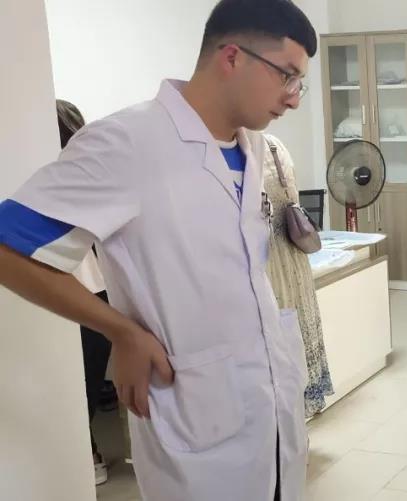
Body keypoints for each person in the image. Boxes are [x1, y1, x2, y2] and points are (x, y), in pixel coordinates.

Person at [0, 1, 316, 499]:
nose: (293, 99)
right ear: (232, 56)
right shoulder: (126, 144)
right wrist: (121, 331)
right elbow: (8, 248)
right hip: (195, 428)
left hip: (271, 413)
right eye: (287, 76)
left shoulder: (253, 148)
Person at [57, 99, 113, 486]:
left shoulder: (86, 176)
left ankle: (86, 452)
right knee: (76, 383)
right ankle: (84, 453)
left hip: (96, 288)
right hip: (74, 289)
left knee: (86, 381)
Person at [262, 134, 334, 418]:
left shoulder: (256, 149)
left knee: (280, 347)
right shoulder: (274, 144)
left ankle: (288, 419)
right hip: (294, 256)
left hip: (271, 263)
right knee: (297, 336)